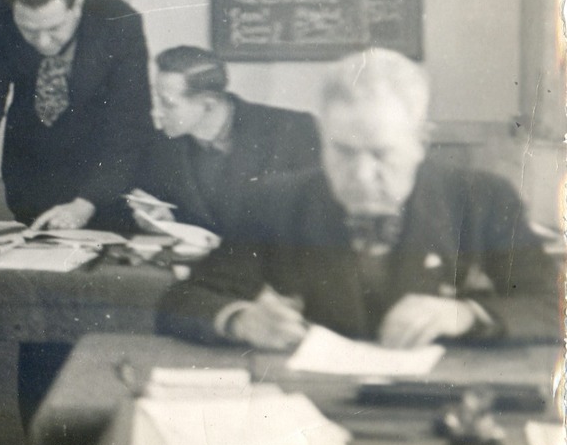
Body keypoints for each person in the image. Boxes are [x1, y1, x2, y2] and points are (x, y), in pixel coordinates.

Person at [157, 49, 560, 349]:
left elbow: (551, 306)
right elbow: (184, 299)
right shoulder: (275, 201)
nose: (362, 175)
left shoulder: (483, 199)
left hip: (439, 403)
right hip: (312, 407)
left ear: (421, 142)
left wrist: (465, 314)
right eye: (343, 152)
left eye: (382, 153)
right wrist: (241, 320)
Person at [0, 0, 154, 422]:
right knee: (40, 319)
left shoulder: (119, 22)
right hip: (34, 177)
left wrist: (86, 203)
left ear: (77, 7)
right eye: (29, 31)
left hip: (103, 179)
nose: (41, 43)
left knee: (99, 321)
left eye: (54, 31)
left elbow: (130, 127)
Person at [131, 45, 320, 235]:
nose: (156, 112)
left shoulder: (293, 130)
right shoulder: (160, 145)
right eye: (156, 99)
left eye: (168, 104)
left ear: (208, 104)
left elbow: (318, 220)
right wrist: (167, 223)